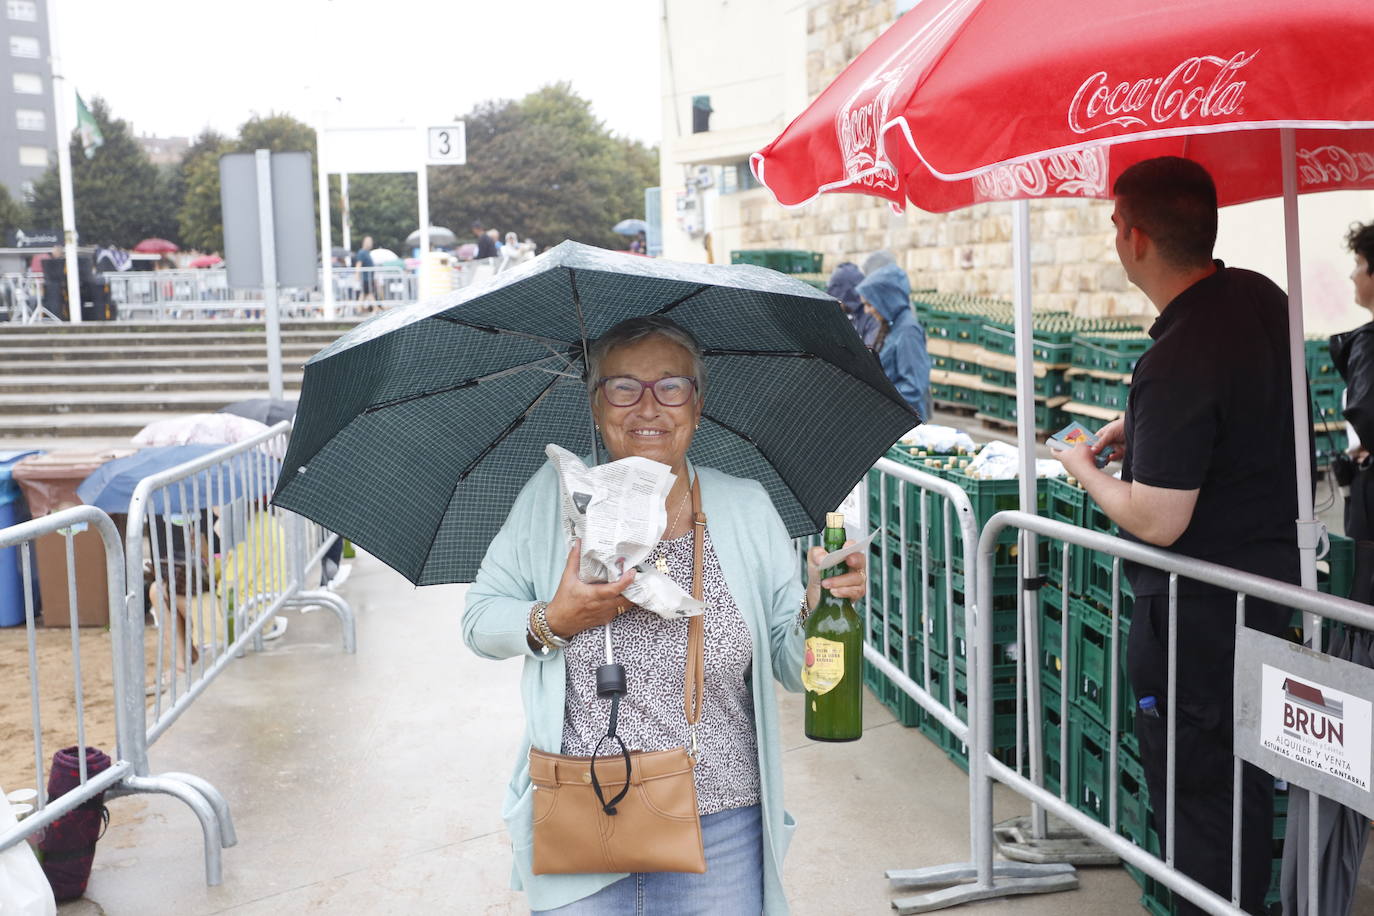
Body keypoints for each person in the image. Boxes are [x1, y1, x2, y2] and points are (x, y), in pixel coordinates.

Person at [462, 315, 867, 913]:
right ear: (598, 406)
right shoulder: (551, 506)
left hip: (721, 828)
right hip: (582, 812)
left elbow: (792, 665)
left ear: (696, 406)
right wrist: (555, 617)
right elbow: (479, 621)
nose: (648, 407)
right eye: (624, 387)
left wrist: (817, 602)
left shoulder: (746, 508)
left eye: (671, 386)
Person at [1058, 156, 1299, 916]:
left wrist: (1083, 470)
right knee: (1246, 782)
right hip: (1267, 595)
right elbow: (1242, 403)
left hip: (1197, 623)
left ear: (1134, 238)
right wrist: (1145, 427)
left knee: (1199, 797)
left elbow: (1160, 520)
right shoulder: (1262, 299)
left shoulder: (1175, 359)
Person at [1330, 221, 1374, 541]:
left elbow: (1367, 416)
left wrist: (1364, 449)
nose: (1353, 274)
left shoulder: (1368, 343)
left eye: (1359, 263)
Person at [855, 253, 931, 420]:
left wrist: (878, 400)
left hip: (904, 422)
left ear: (885, 300)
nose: (867, 311)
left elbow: (913, 386)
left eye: (869, 304)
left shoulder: (908, 331)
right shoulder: (892, 326)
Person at [827, 261, 878, 349]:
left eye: (839, 301)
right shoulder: (841, 314)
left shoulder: (872, 316)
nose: (838, 305)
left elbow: (870, 355)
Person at [354, 236, 376, 305]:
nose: (371, 244)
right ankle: (376, 309)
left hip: (368, 278)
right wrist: (357, 276)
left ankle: (359, 309)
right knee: (369, 293)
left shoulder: (367, 253)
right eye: (369, 242)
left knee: (364, 294)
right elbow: (358, 265)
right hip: (365, 278)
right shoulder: (362, 253)